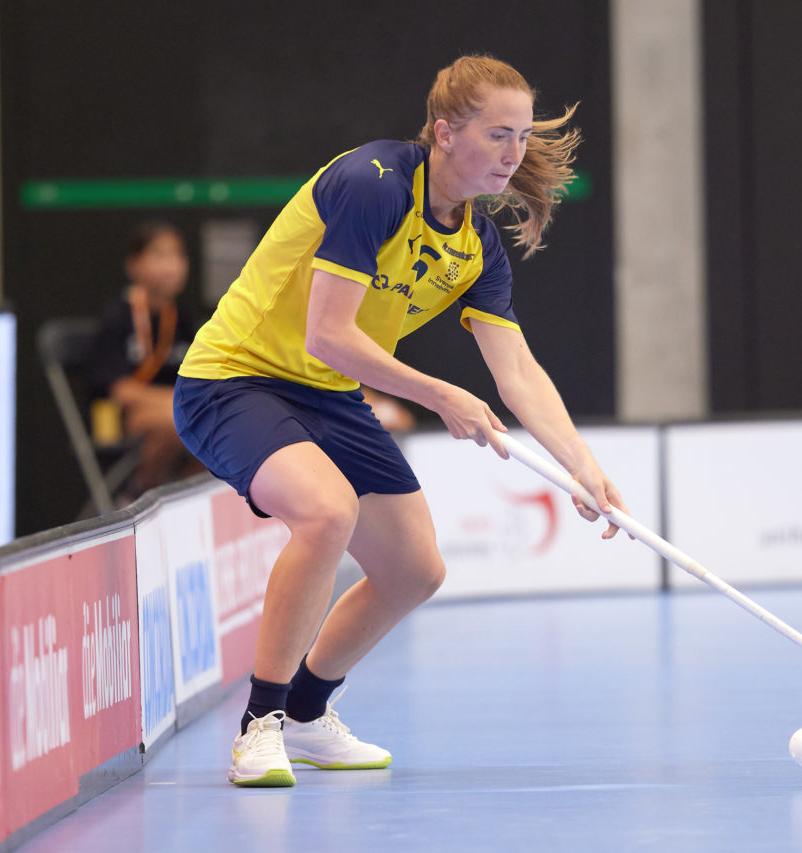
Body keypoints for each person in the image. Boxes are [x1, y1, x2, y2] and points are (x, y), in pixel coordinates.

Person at [173, 54, 629, 788]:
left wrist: (582, 464)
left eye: (522, 135)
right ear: (445, 132)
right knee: (327, 513)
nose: (514, 153)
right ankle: (261, 724)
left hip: (327, 394)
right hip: (236, 378)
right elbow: (326, 333)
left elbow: (517, 371)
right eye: (497, 134)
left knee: (415, 569)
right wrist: (440, 393)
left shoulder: (476, 247)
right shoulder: (372, 185)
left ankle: (310, 712)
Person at [87, 221, 204, 499]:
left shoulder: (183, 319)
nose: (170, 265)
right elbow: (121, 392)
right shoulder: (118, 318)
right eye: (159, 255)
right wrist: (180, 403)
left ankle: (184, 497)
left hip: (174, 408)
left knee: (217, 420)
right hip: (121, 418)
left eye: (177, 255)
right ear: (134, 265)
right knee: (182, 417)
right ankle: (139, 494)